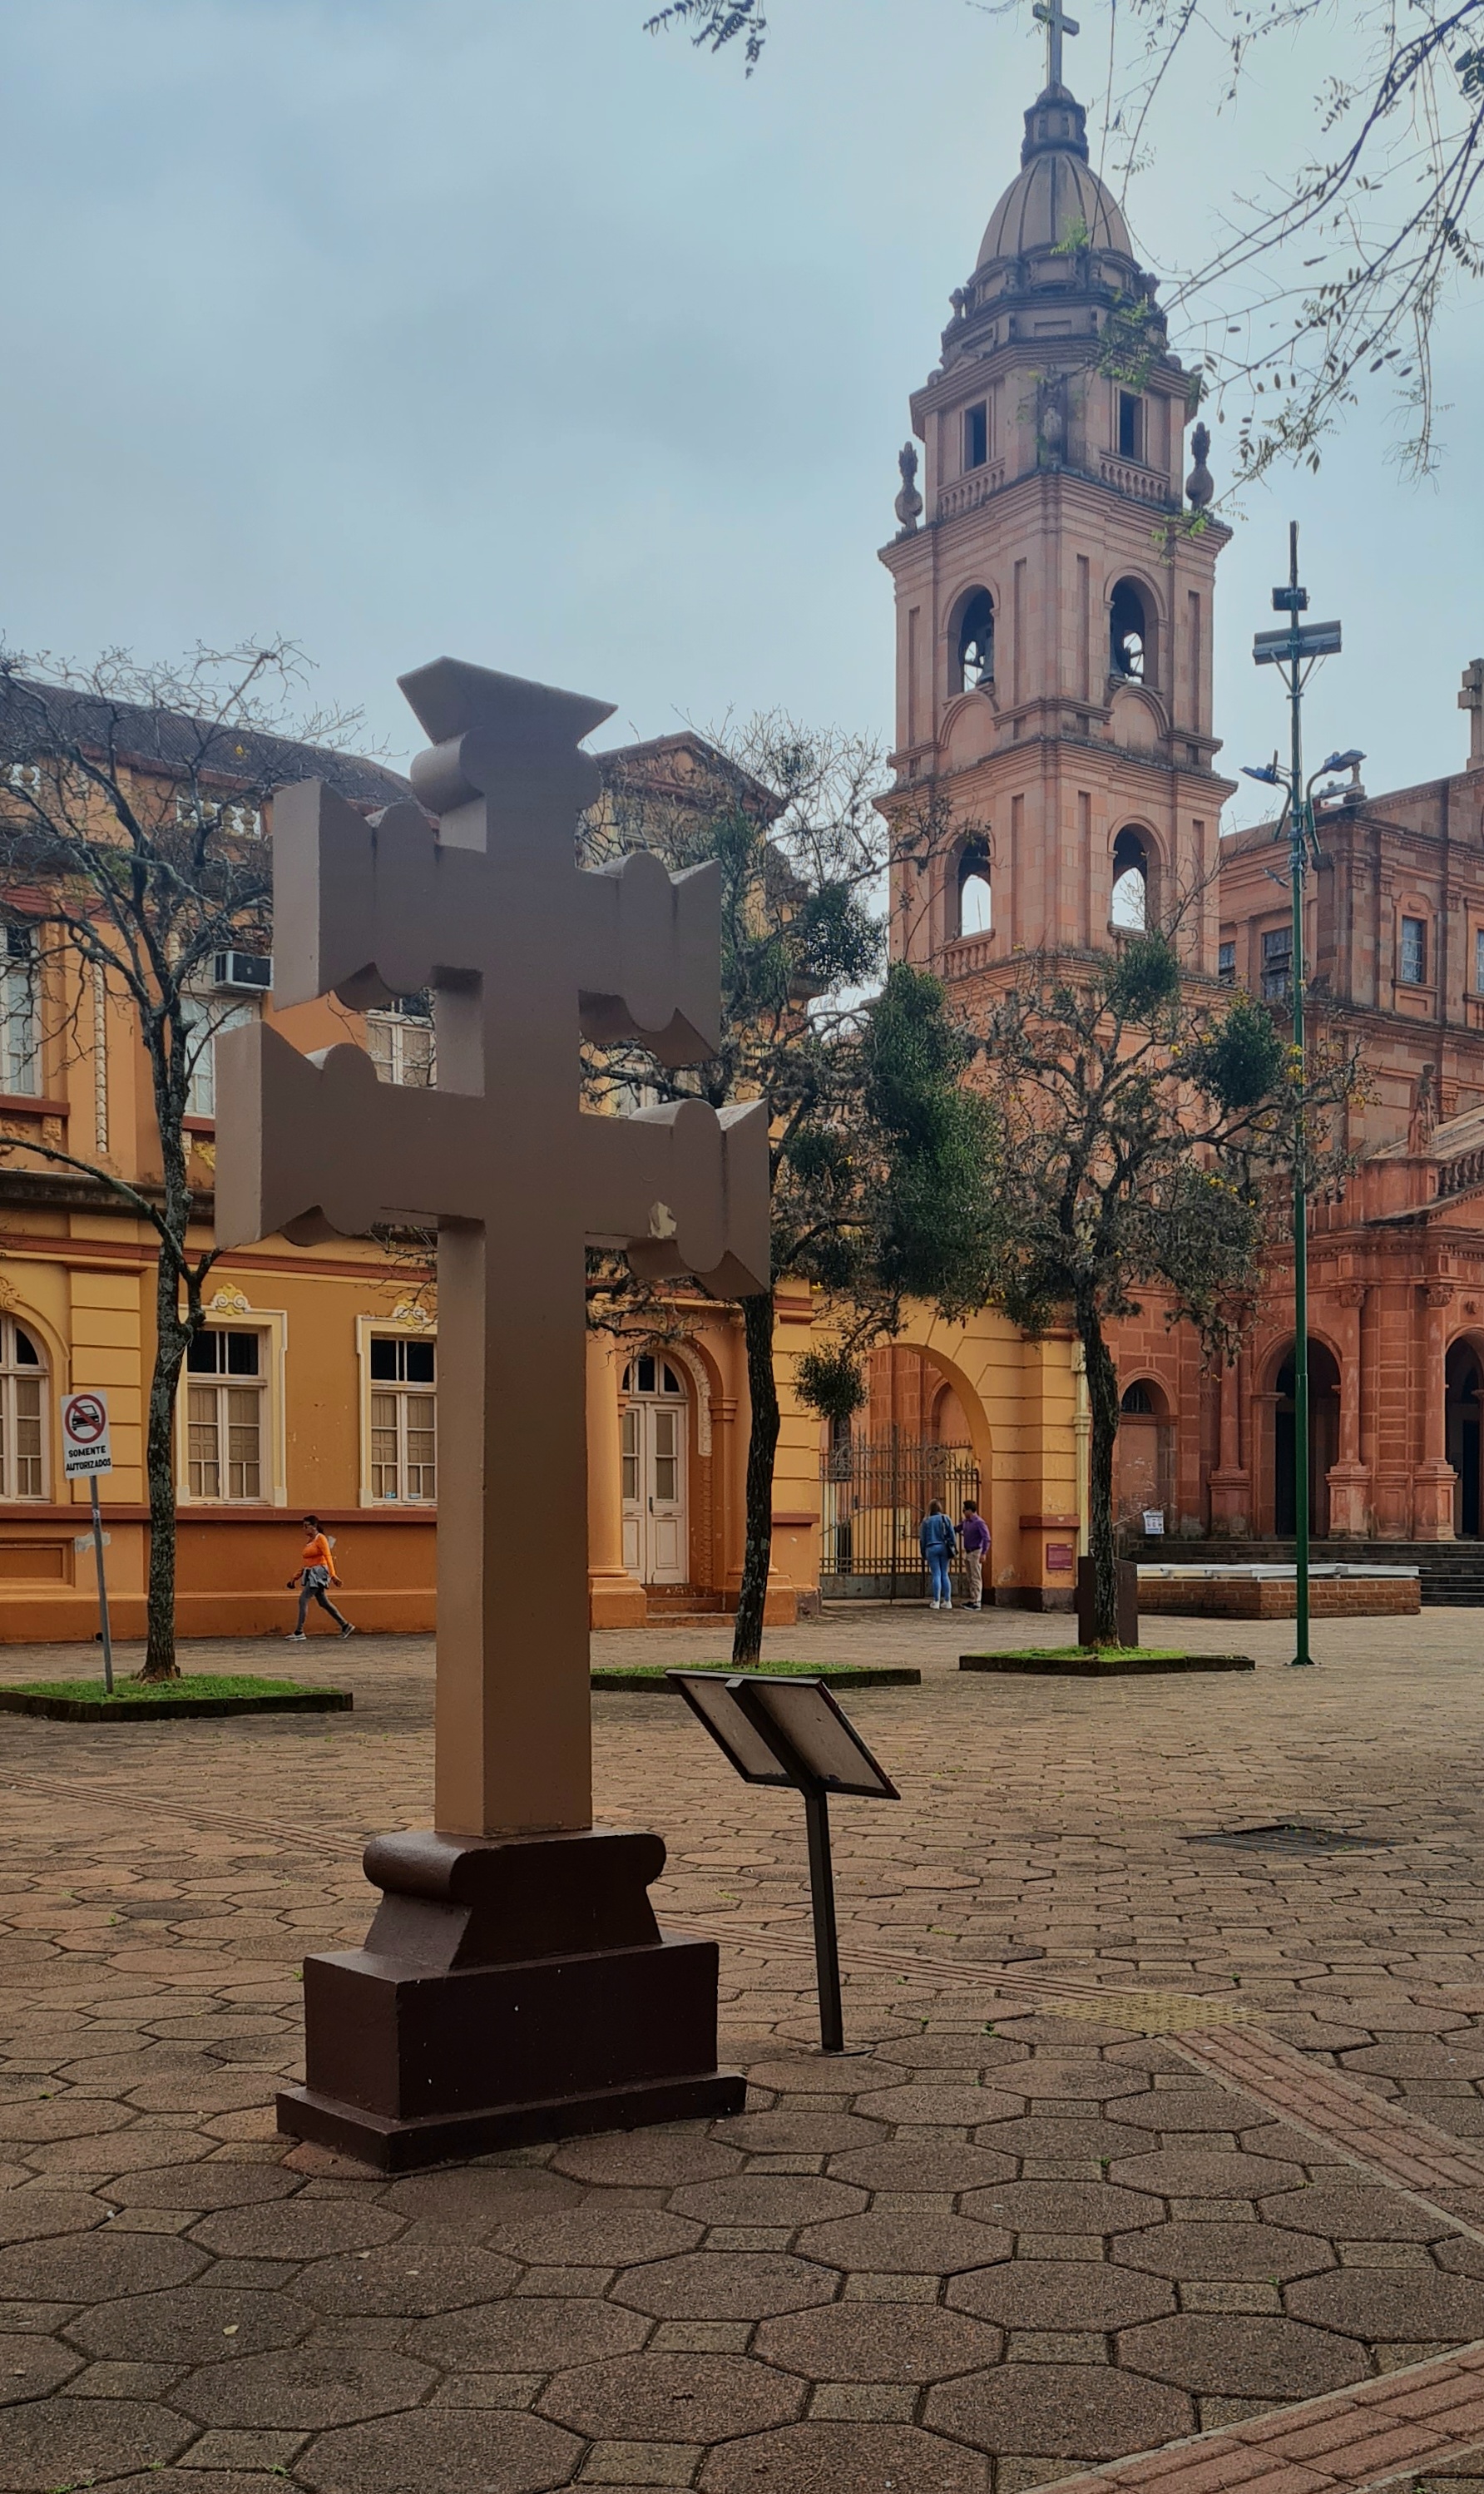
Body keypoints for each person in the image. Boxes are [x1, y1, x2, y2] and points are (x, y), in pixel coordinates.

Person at [286, 1516, 356, 1640]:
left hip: (319, 1573)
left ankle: (299, 1632)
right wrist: (294, 1578)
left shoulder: (321, 1539)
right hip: (311, 1572)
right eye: (303, 1526)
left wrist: (333, 1575)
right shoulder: (310, 1542)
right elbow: (307, 1563)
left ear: (314, 1527)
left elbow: (328, 1556)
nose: (304, 1529)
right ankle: (345, 1625)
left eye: (306, 1526)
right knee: (323, 1601)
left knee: (303, 1598)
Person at [919, 1499, 956, 1611]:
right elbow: (952, 1535)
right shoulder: (946, 1518)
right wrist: (953, 1546)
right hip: (944, 1547)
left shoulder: (926, 1521)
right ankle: (948, 1601)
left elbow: (922, 1539)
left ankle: (936, 1601)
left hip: (931, 1548)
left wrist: (923, 1552)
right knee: (945, 1573)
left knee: (936, 1574)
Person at [958, 1499, 991, 1611]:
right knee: (970, 1577)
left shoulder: (979, 1522)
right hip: (968, 1552)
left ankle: (977, 1601)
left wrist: (984, 1553)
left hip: (976, 1551)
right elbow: (958, 1528)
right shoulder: (966, 1522)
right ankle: (973, 1599)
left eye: (964, 1510)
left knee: (976, 1577)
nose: (963, 1512)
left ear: (970, 1510)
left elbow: (986, 1538)